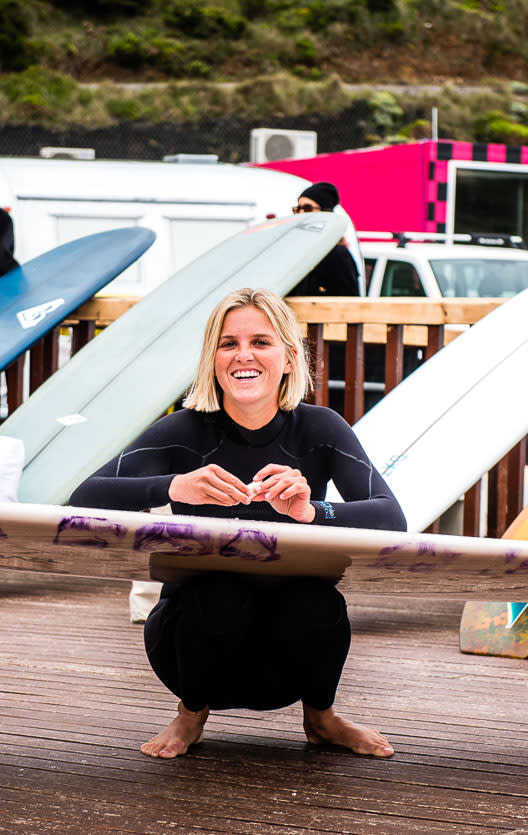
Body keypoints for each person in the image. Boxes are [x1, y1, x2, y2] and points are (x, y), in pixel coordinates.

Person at [70, 287, 405, 760]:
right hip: (191, 648)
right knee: (220, 594)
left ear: (288, 358)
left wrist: (312, 512)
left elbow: (392, 518)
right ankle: (191, 715)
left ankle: (321, 717)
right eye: (228, 344)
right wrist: (172, 487)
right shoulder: (183, 431)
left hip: (290, 656)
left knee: (315, 601)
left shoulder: (320, 429)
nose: (243, 355)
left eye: (260, 342)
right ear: (212, 359)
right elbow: (82, 500)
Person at [288, 182, 361, 296]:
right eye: (297, 209)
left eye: (307, 208)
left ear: (325, 212)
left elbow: (350, 301)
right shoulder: (297, 252)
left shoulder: (337, 254)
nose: (301, 213)